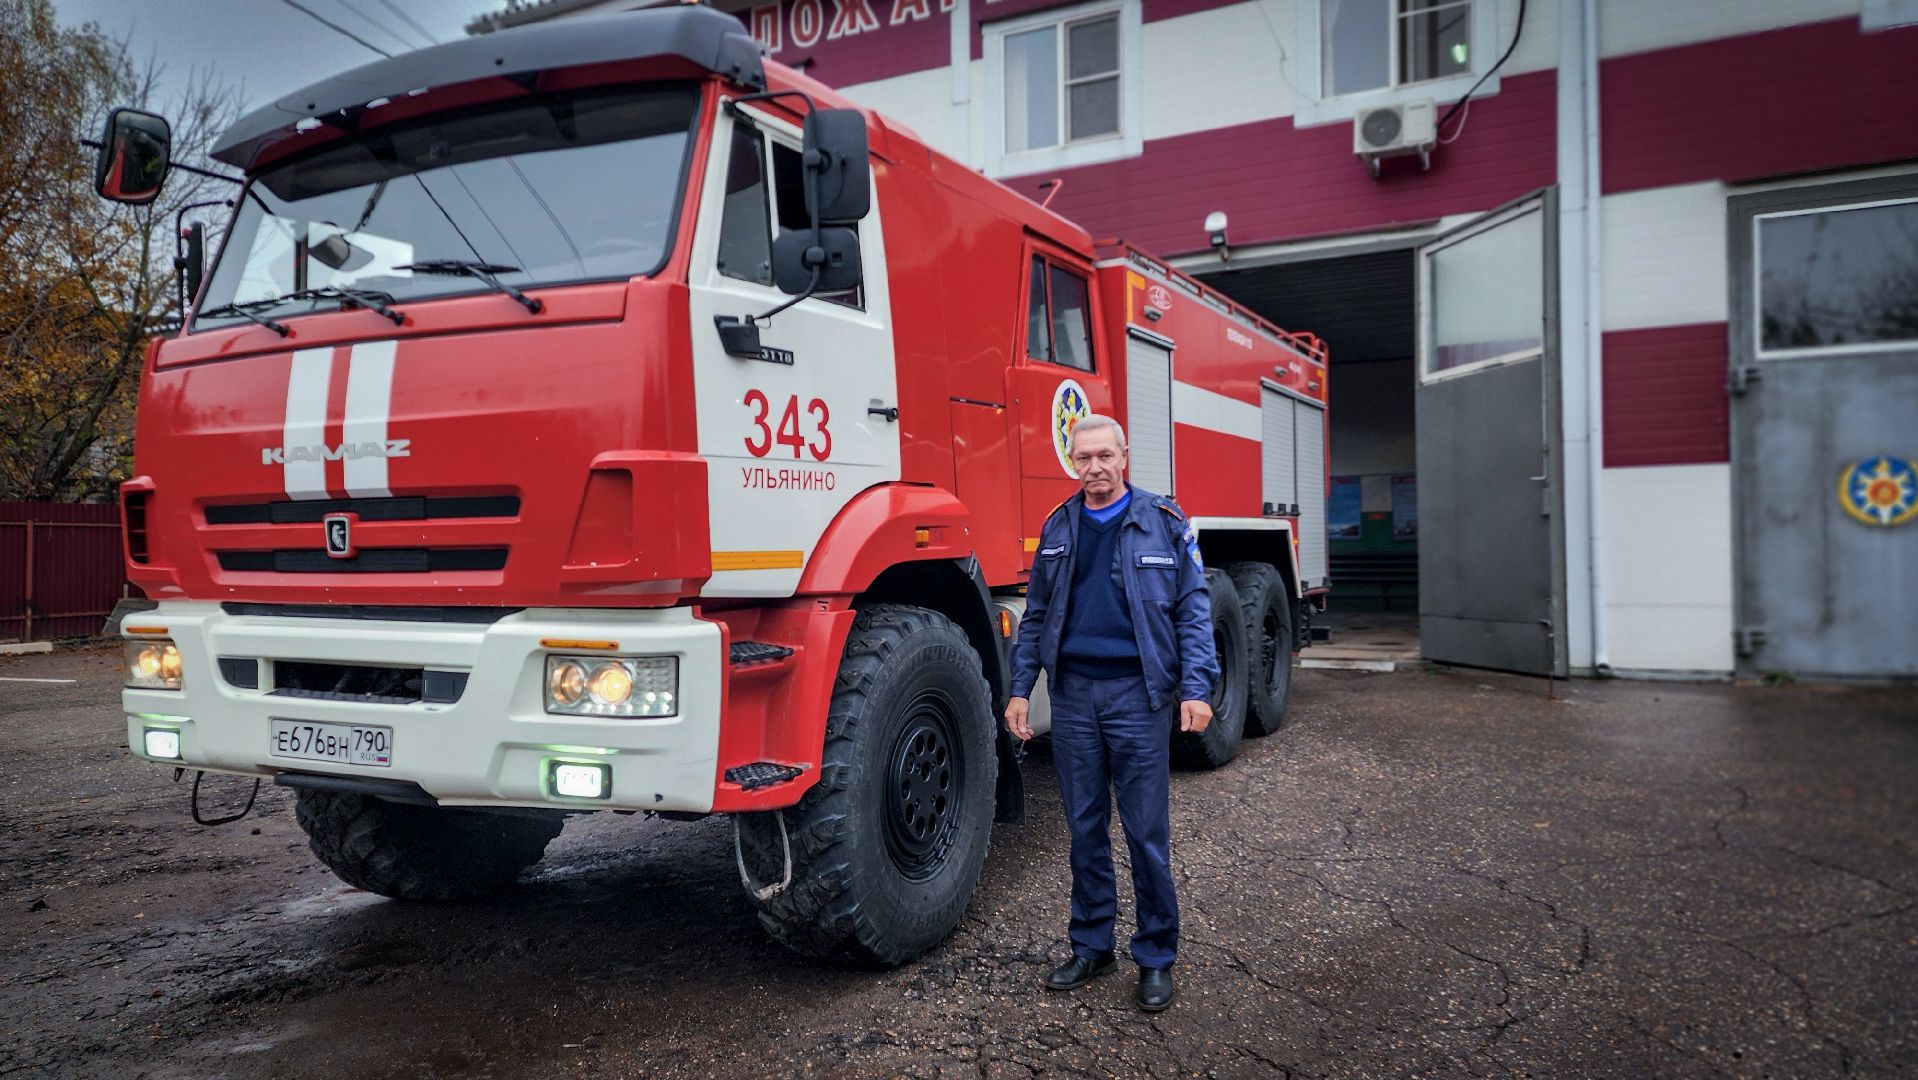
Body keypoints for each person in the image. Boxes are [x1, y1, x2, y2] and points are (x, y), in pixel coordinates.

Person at [1003, 413, 1218, 1013]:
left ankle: (1156, 956)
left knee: (1146, 833)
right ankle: (1092, 946)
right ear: (1072, 462)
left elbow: (1193, 611)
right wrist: (1020, 689)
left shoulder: (1164, 522)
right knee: (1085, 829)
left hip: (1136, 697)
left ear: (1124, 456)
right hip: (1073, 698)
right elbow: (1036, 617)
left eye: (1105, 455)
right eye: (1083, 457)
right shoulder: (1058, 525)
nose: (1094, 467)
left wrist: (1197, 689)